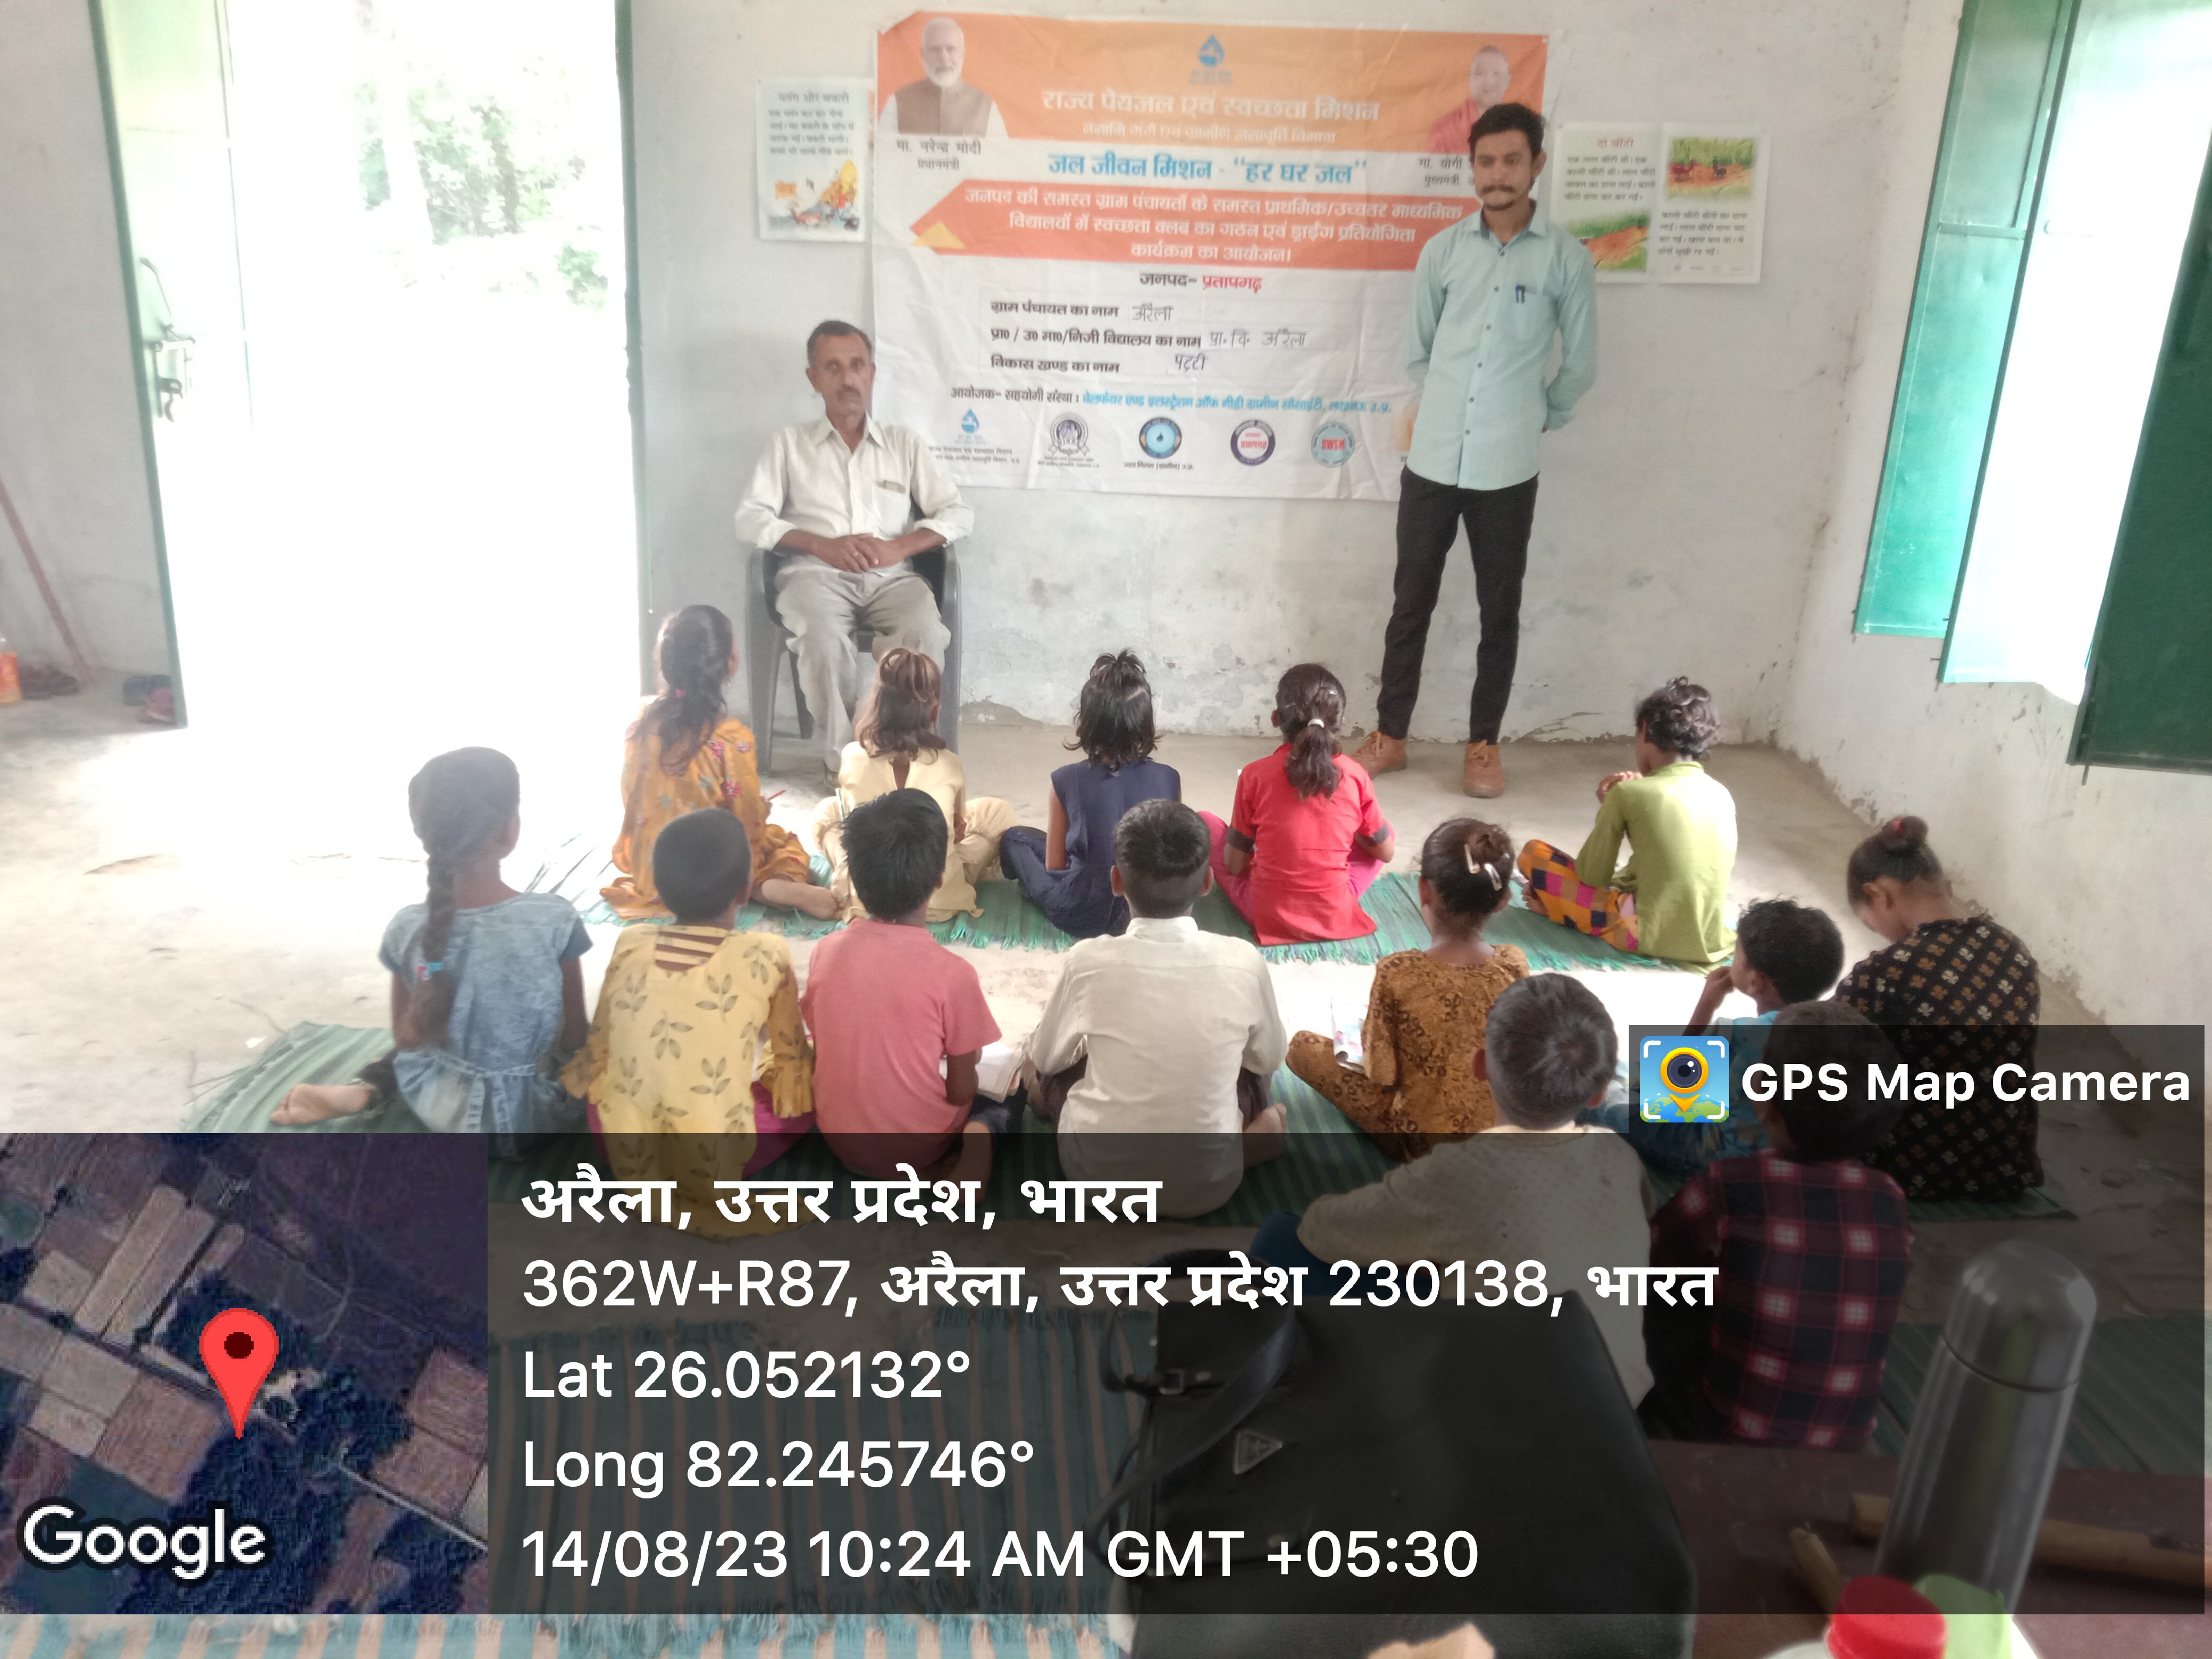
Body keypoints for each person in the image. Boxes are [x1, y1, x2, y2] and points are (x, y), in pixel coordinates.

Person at [1351, 102, 1597, 800]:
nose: (1497, 174)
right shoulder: (1443, 252)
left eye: (1511, 160)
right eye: (1485, 161)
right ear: (1472, 168)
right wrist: (1448, 406)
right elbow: (1419, 352)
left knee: (1499, 612)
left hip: (1507, 470)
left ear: (1536, 165)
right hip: (1432, 460)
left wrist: (1538, 414)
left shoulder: (1565, 259)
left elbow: (1580, 363)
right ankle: (1389, 735)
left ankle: (1483, 744)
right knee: (1410, 603)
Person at [1256, 974, 1655, 1403]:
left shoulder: (1458, 1173)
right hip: (1617, 1412)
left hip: (1480, 1420)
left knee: (1279, 1239)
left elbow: (1320, 1232)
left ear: (1479, 1066)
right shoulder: (1619, 1157)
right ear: (1598, 1094)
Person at [273, 749, 589, 1139]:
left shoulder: (407, 927)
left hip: (438, 1107)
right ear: (511, 831)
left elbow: (407, 1040)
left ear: (425, 835)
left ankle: (367, 1088)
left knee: (432, 1033)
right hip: (539, 1117)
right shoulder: (555, 918)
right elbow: (575, 1037)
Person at [1643, 1004, 1913, 1449]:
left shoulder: (1728, 1186)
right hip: (1847, 1443)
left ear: (1765, 1101)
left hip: (1727, 1433)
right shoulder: (1889, 1197)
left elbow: (1651, 1259)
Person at [1024, 799, 1290, 1218]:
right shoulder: (1243, 961)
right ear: (1207, 882)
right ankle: (1251, 1143)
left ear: (1116, 881)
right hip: (1211, 1187)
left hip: (1097, 1180)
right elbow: (1269, 1059)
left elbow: (1047, 1059)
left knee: (1044, 1064)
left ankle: (1046, 1104)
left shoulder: (1086, 962)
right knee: (1250, 1066)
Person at [734, 321, 974, 775]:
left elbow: (958, 514)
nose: (847, 379)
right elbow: (750, 517)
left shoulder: (903, 445)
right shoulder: (788, 445)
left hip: (893, 581)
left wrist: (898, 547)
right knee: (822, 640)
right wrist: (819, 545)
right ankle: (846, 762)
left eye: (857, 366)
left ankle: (904, 749)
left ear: (872, 373)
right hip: (814, 578)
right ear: (814, 378)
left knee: (922, 636)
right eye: (833, 367)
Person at [563, 811, 814, 1235]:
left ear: (659, 891)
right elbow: (791, 1058)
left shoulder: (630, 941)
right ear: (745, 890)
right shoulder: (767, 953)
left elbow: (600, 1046)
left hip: (617, 1144)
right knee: (806, 1080)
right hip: (714, 1157)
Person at [1286, 818, 1529, 1156]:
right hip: (1499, 1135)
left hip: (1418, 1141)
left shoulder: (1398, 973)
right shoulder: (1513, 965)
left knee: (1302, 1047)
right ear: (1503, 899)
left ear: (1423, 889)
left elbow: (1381, 1073)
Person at [1836, 816, 2042, 1200]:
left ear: (1879, 896)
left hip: (1912, 1171)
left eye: (1870, 923)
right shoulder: (2011, 949)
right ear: (1943, 885)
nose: (1879, 935)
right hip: (2005, 1165)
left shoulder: (1883, 974)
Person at [803, 790, 1003, 1182]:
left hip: (838, 1138)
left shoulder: (824, 952)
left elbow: (824, 1039)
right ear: (939, 880)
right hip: (922, 1147)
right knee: (1007, 1097)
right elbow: (962, 1091)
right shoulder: (954, 974)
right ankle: (974, 1155)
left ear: (854, 877)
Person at [600, 605, 835, 920]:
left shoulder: (641, 719)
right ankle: (765, 889)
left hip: (653, 871)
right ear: (730, 662)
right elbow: (747, 823)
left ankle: (745, 888)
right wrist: (761, 811)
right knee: (783, 844)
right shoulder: (732, 739)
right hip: (712, 872)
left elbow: (632, 796)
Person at [1585, 896, 1845, 1173]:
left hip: (1711, 1152)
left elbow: (1667, 1081)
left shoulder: (1743, 1035)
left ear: (1755, 981)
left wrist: (1706, 1004)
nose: (1732, 961)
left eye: (1737, 956)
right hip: (1774, 1153)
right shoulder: (1831, 1030)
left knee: (1600, 1097)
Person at [1516, 677, 1738, 966]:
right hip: (1708, 940)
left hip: (1641, 934)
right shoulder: (1721, 793)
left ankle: (1562, 911)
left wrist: (1611, 807)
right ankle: (1567, 908)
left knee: (1533, 853)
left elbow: (1592, 875)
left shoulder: (1628, 793)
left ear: (1644, 729)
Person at [814, 648, 1016, 922]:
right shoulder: (949, 764)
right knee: (995, 812)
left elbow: (855, 826)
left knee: (827, 812)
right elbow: (957, 830)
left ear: (876, 704)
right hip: (937, 898)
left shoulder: (852, 755)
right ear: (935, 711)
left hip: (867, 898)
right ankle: (952, 883)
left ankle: (844, 878)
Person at [1201, 664, 1396, 946]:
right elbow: (1386, 854)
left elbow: (1234, 865)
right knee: (1383, 833)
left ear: (1275, 718)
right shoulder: (1356, 775)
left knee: (1205, 822)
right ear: (1339, 720)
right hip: (1333, 912)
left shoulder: (1255, 775)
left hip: (1266, 913)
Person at [998, 650, 1180, 938]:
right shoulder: (1170, 778)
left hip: (1079, 913)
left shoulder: (1065, 779)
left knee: (1016, 837)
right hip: (1144, 911)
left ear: (1085, 723)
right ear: (1146, 724)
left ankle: (1026, 886)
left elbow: (1055, 865)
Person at [881, 15, 1007, 137]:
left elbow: (1000, 152)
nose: (944, 58)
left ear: (963, 53)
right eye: (935, 50)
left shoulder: (986, 106)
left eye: (951, 49)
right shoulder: (897, 102)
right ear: (923, 54)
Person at [1426, 44, 1515, 156]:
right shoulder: (1446, 127)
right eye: (1480, 73)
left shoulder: (1517, 126)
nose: (1489, 82)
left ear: (1508, 81)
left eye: (1496, 74)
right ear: (1470, 80)